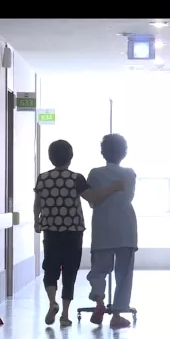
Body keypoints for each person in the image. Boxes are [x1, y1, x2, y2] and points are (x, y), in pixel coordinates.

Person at [34, 140, 122, 327]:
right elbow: (93, 197)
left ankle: (52, 302)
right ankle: (65, 315)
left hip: (50, 231)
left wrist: (36, 221)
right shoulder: (75, 179)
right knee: (70, 271)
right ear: (70, 157)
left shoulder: (43, 178)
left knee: (50, 268)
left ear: (51, 157)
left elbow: (38, 204)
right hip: (73, 232)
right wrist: (113, 187)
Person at [86, 134, 138, 329]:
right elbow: (129, 197)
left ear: (102, 153)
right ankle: (117, 315)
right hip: (126, 229)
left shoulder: (95, 173)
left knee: (99, 269)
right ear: (124, 153)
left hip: (103, 227)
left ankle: (99, 302)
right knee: (124, 274)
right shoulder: (130, 174)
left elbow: (92, 200)